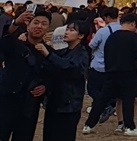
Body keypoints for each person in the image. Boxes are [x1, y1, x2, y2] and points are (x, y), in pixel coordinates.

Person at [0, 9, 50, 141]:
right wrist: (15, 23)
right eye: (36, 22)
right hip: (6, 101)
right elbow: (4, 40)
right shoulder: (15, 44)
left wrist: (45, 86)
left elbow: (52, 75)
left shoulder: (48, 53)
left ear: (48, 28)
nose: (39, 26)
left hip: (29, 106)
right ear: (28, 25)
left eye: (44, 24)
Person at [41, 19, 92, 140]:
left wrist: (48, 54)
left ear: (81, 35)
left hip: (69, 105)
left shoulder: (82, 54)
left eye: (72, 30)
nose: (67, 32)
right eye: (67, 29)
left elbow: (70, 69)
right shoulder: (64, 52)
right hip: (55, 102)